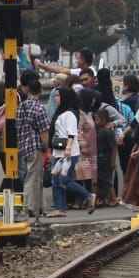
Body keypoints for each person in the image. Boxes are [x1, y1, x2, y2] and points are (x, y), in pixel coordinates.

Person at [48, 87, 95, 217]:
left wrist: (68, 148)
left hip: (67, 154)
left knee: (65, 180)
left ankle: (88, 196)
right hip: (59, 152)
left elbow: (72, 133)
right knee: (56, 181)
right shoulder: (61, 112)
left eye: (58, 95)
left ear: (64, 97)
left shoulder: (70, 114)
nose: (55, 98)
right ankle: (60, 208)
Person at [16, 72, 47, 218]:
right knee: (33, 177)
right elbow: (44, 131)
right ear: (40, 91)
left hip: (24, 146)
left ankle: (38, 207)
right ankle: (30, 207)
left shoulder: (22, 106)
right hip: (36, 146)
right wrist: (46, 147)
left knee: (35, 176)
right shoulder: (40, 108)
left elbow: (17, 126)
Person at [75, 88, 99, 207]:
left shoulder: (88, 113)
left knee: (88, 175)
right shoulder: (80, 114)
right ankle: (83, 199)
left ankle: (88, 198)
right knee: (82, 174)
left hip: (90, 148)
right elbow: (78, 131)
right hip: (83, 149)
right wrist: (82, 144)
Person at [95, 108, 118, 206]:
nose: (96, 122)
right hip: (100, 158)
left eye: (97, 120)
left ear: (104, 119)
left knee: (107, 180)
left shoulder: (107, 132)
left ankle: (113, 198)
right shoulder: (99, 130)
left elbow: (113, 147)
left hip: (106, 158)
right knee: (101, 180)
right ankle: (103, 199)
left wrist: (113, 162)